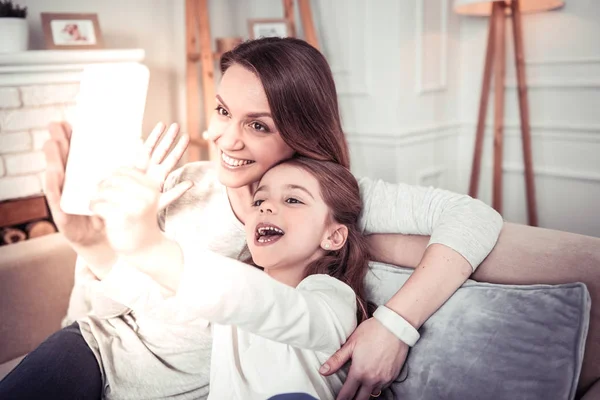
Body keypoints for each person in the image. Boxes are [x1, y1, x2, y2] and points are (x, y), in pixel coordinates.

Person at [0, 37, 503, 400]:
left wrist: (395, 324)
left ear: (300, 134)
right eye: (223, 111)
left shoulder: (322, 198)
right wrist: (94, 249)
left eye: (256, 125)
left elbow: (473, 217)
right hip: (95, 346)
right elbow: (123, 301)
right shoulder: (189, 180)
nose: (225, 138)